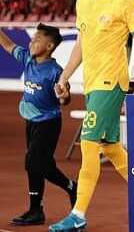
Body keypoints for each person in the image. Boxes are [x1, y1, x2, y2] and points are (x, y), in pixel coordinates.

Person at [51, 0, 134, 232]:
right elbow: (82, 44)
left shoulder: (124, 0)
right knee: (111, 148)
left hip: (111, 83)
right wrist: (65, 75)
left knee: (88, 144)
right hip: (91, 82)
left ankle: (78, 214)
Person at [0, 24, 77, 226]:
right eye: (32, 38)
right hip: (31, 123)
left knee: (33, 162)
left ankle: (38, 209)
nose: (32, 41)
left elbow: (65, 98)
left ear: (50, 45)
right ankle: (62, 193)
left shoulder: (56, 71)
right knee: (43, 164)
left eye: (37, 39)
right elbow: (8, 45)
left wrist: (64, 96)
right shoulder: (28, 59)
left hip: (48, 123)